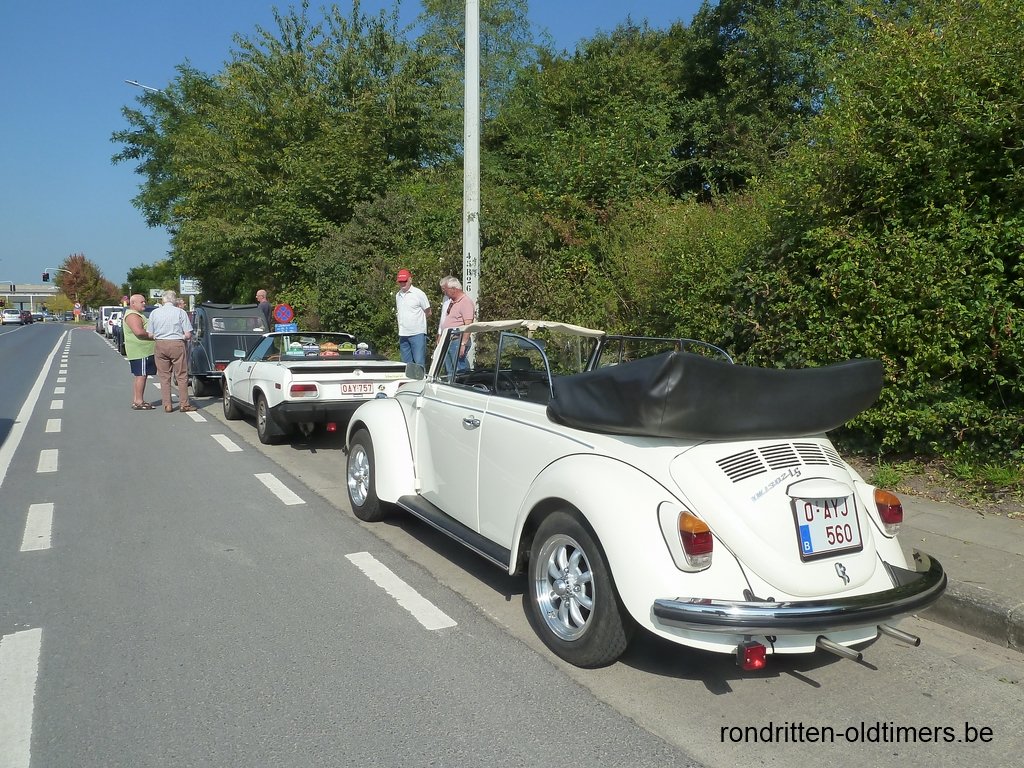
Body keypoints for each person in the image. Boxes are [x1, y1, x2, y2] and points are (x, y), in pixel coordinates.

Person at [149, 289, 195, 412]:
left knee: (164, 376)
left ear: (163, 300)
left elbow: (150, 334)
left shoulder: (154, 313)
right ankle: (184, 404)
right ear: (174, 300)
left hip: (160, 344)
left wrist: (158, 336)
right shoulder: (180, 312)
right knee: (181, 375)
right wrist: (182, 337)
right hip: (177, 344)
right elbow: (188, 334)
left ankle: (167, 405)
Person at [123, 294, 156, 410]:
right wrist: (153, 336)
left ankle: (138, 400)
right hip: (140, 351)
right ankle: (138, 401)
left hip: (143, 351)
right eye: (141, 302)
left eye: (144, 301)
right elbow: (139, 332)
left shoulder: (137, 314)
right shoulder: (132, 315)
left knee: (142, 375)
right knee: (141, 375)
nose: (144, 304)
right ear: (133, 303)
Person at [438, 276, 475, 372]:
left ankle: (465, 381)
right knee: (450, 370)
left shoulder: (465, 302)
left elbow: (468, 325)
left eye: (446, 290)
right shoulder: (452, 302)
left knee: (460, 369)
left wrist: (463, 344)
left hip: (457, 341)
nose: (445, 292)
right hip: (449, 340)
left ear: (454, 289)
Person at [395, 268, 431, 367]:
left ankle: (421, 377)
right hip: (403, 333)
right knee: (406, 365)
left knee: (419, 363)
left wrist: (418, 322)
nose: (402, 283)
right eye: (400, 282)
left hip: (417, 333)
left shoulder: (419, 293)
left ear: (410, 280)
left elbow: (428, 312)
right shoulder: (398, 295)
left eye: (404, 281)